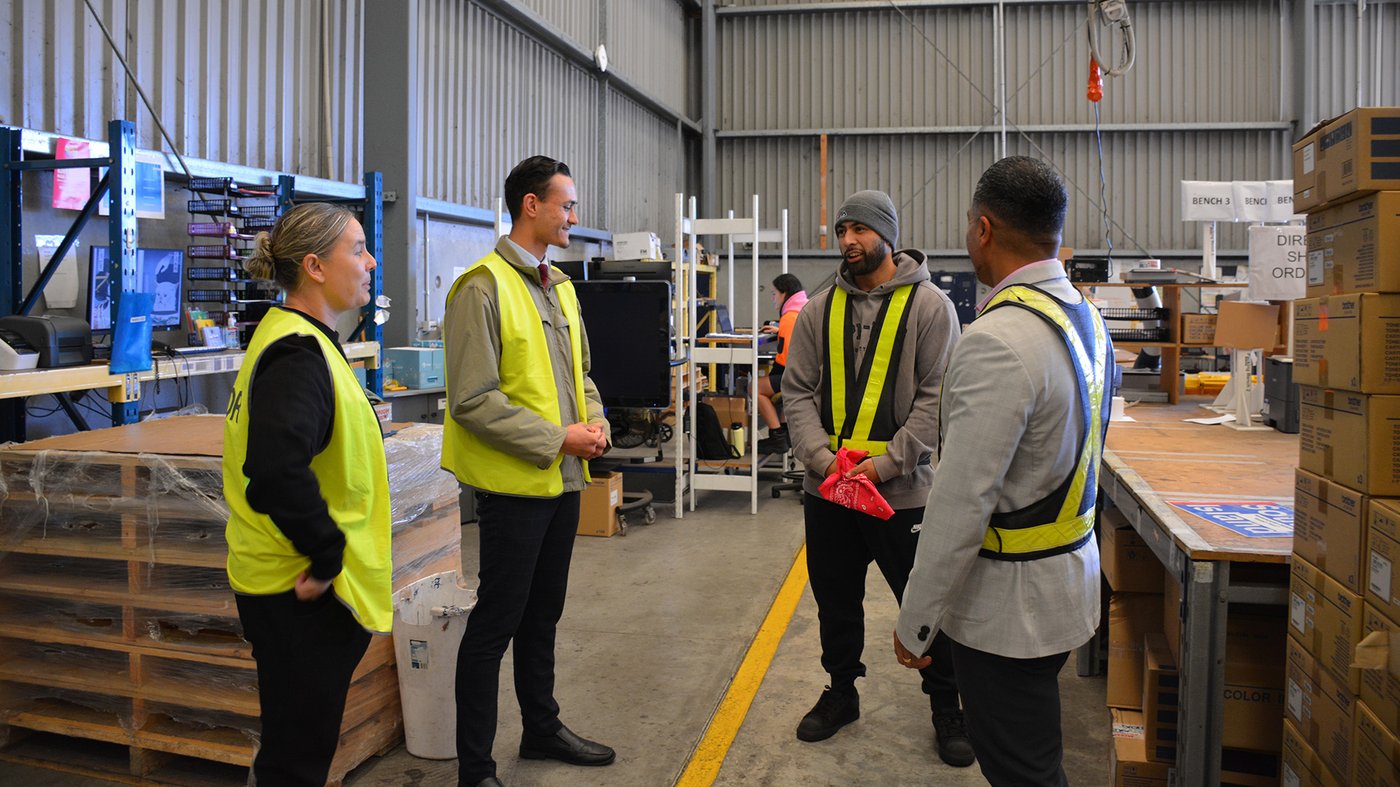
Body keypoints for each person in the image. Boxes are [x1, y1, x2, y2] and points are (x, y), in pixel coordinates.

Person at [894, 156, 1115, 786]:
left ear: (983, 229)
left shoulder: (996, 340)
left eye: (969, 226)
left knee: (1024, 770)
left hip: (1008, 611)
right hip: (1067, 584)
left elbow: (960, 505)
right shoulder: (1086, 318)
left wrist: (918, 623)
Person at [783, 189, 974, 767]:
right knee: (835, 600)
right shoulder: (818, 308)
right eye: (842, 231)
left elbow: (937, 400)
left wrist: (887, 464)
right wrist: (820, 460)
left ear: (887, 235)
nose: (848, 241)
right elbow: (796, 393)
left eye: (860, 230)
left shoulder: (931, 308)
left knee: (921, 600)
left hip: (903, 493)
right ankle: (842, 692)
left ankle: (947, 707)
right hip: (830, 492)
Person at [442, 156, 614, 787]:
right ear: (531, 206)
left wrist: (593, 425)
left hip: (564, 481)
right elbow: (471, 398)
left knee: (544, 616)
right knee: (495, 625)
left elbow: (582, 376)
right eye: (566, 205)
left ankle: (541, 729)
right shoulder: (480, 288)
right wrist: (557, 437)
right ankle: (475, 769)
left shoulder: (561, 287)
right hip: (515, 489)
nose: (574, 216)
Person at [223, 203, 390, 786]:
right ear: (315, 266)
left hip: (281, 583)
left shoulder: (289, 336)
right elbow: (273, 469)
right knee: (296, 761)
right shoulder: (299, 354)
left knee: (294, 746)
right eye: (358, 248)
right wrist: (326, 555)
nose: (370, 262)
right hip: (300, 590)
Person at [755, 273, 808, 455]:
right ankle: (785, 434)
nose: (773, 298)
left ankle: (776, 437)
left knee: (755, 388)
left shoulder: (789, 317)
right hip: (809, 376)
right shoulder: (803, 309)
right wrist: (780, 330)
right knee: (774, 386)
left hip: (797, 377)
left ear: (785, 293)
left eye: (774, 293)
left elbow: (785, 361)